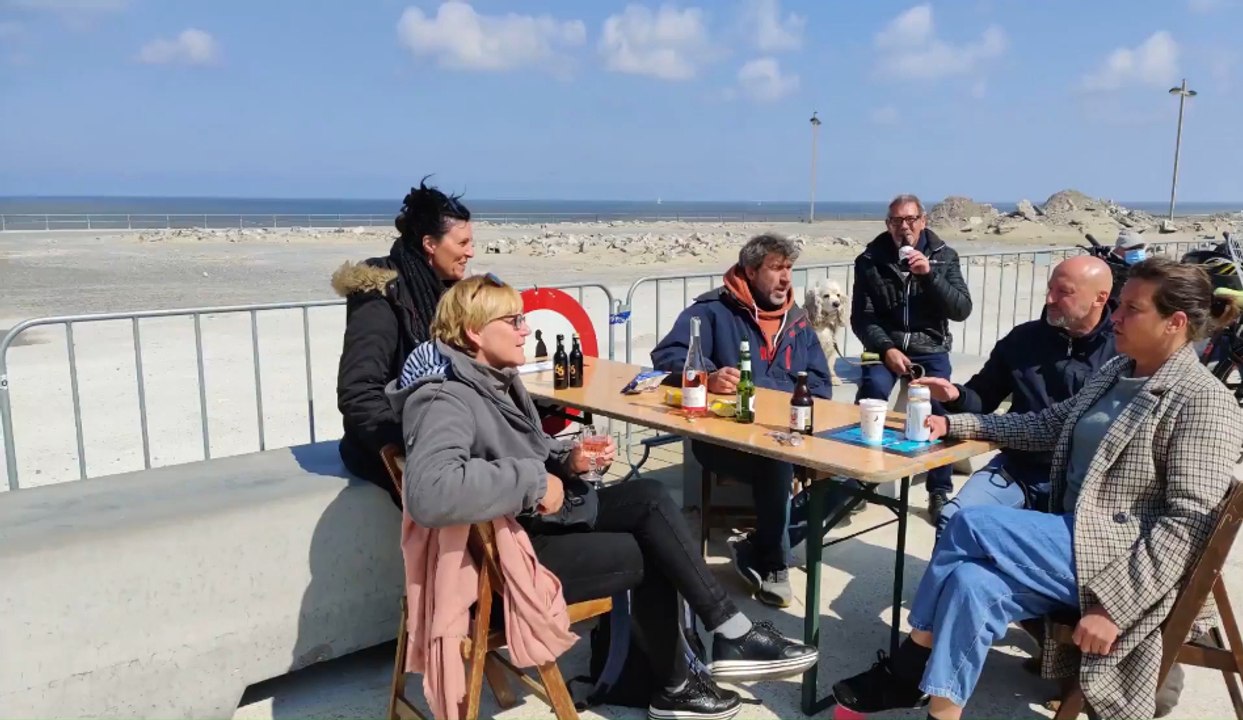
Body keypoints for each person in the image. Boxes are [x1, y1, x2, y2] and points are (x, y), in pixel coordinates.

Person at [831, 257, 1243, 720]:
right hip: (1071, 537)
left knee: (968, 521)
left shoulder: (1203, 402)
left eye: (1132, 309)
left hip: (1113, 556)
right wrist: (953, 423)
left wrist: (1112, 606)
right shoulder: (1118, 373)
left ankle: (906, 670)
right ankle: (940, 713)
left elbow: (1187, 524)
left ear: (1176, 323)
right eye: (1120, 307)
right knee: (971, 583)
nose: (1117, 318)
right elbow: (1047, 426)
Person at [391, 274, 819, 720]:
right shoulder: (445, 397)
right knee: (656, 550)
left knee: (652, 496)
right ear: (475, 332)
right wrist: (535, 482)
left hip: (531, 521)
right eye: (514, 320)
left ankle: (726, 636)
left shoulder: (491, 378)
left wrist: (566, 458)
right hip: (508, 555)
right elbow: (430, 491)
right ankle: (685, 676)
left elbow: (517, 451)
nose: (526, 329)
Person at [651, 233, 834, 608]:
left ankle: (759, 544)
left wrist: (773, 391)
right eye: (776, 269)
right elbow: (666, 355)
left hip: (791, 435)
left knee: (853, 474)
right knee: (775, 464)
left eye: (789, 269)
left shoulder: (798, 322)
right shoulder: (712, 311)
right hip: (723, 442)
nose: (786, 279)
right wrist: (708, 375)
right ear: (750, 271)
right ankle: (774, 562)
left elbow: (821, 386)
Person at [915, 255, 1116, 537]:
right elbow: (982, 398)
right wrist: (955, 395)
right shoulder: (1023, 340)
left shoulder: (1122, 353)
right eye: (1050, 289)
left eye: (1064, 292)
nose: (1050, 299)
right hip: (1017, 469)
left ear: (1100, 298)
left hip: (1083, 482)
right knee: (954, 519)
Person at [332, 179, 474, 502]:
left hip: (441, 431)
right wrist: (406, 445)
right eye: (463, 242)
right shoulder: (380, 291)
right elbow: (359, 390)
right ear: (430, 244)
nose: (471, 252)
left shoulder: (447, 290)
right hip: (386, 444)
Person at [850, 194, 972, 524]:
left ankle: (939, 488)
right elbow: (862, 317)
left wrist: (929, 275)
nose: (904, 227)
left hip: (929, 346)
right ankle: (858, 477)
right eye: (896, 221)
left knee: (941, 405)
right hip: (884, 346)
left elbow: (961, 309)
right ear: (888, 225)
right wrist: (886, 348)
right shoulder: (870, 260)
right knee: (871, 395)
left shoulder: (945, 257)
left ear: (923, 220)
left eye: (910, 220)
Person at [1105, 229, 1147, 302]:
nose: (1137, 251)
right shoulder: (1109, 269)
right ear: (1118, 250)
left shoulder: (1146, 268)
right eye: (1133, 248)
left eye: (1140, 248)